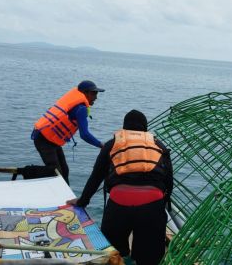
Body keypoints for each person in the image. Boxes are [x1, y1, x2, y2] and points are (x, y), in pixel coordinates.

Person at [67, 110, 173, 265]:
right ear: (145, 128)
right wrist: (159, 207)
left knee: (113, 254)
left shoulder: (113, 144)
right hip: (152, 206)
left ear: (124, 128)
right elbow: (169, 183)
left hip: (119, 204)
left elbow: (96, 177)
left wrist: (82, 201)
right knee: (150, 257)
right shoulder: (159, 146)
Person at [31, 80, 105, 185]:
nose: (96, 97)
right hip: (44, 139)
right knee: (56, 173)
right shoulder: (81, 109)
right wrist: (101, 145)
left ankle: (66, 198)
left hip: (50, 140)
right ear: (85, 93)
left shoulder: (78, 105)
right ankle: (28, 173)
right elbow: (84, 134)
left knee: (64, 171)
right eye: (93, 93)